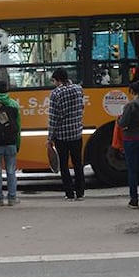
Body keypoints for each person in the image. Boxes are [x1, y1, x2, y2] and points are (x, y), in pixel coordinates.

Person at [47, 67, 86, 201]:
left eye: (54, 81)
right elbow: (82, 107)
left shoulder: (55, 94)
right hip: (76, 133)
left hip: (62, 136)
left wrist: (49, 138)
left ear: (58, 80)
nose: (54, 83)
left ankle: (69, 193)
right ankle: (80, 192)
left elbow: (53, 118)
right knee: (77, 163)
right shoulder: (78, 89)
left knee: (63, 164)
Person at [118, 81, 139, 209]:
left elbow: (123, 123)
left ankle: (134, 200)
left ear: (133, 92)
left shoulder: (130, 106)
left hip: (131, 140)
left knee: (133, 171)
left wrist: (119, 119)